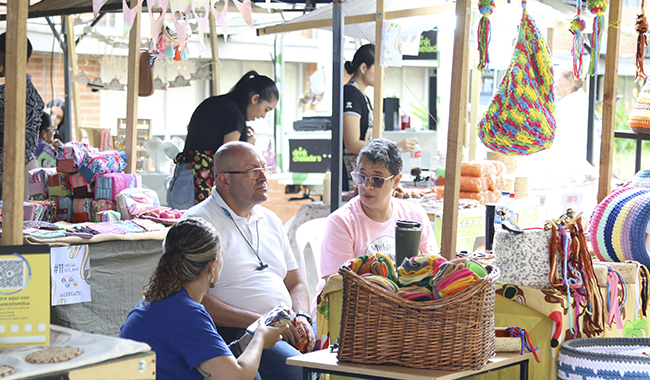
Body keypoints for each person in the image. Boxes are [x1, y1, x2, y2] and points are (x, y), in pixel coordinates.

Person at [180, 141, 316, 380]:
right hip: (239, 331)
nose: (264, 177)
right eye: (253, 171)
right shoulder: (197, 224)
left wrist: (302, 316)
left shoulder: (271, 219)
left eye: (265, 169)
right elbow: (193, 299)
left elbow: (295, 283)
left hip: (286, 323)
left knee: (345, 356)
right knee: (301, 373)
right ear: (225, 180)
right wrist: (263, 323)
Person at [120, 218, 287, 380]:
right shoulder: (187, 314)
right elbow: (237, 378)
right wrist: (260, 338)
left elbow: (201, 361)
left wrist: (239, 346)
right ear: (212, 266)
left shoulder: (156, 302)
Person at [320, 138, 436, 279]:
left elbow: (434, 268)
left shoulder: (415, 216)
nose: (367, 186)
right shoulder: (341, 222)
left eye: (377, 180)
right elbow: (339, 284)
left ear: (396, 181)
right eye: (361, 177)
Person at [168, 71, 279, 210]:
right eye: (266, 109)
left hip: (181, 179)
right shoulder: (234, 115)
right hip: (198, 184)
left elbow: (194, 130)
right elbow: (231, 157)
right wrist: (249, 144)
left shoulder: (212, 103)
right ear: (255, 99)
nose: (263, 115)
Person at [342, 44, 418, 191]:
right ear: (363, 68)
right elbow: (351, 143)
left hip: (364, 174)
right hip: (353, 176)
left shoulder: (362, 97)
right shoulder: (351, 94)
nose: (383, 76)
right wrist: (393, 149)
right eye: (381, 70)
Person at [519, 65, 599, 187]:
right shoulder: (574, 102)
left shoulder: (572, 105)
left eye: (558, 79)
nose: (554, 84)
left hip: (572, 163)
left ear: (570, 83)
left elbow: (565, 142)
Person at [0, 32, 45, 201]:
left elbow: (17, 140)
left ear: (4, 56)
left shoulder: (17, 92)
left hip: (15, 173)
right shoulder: (17, 89)